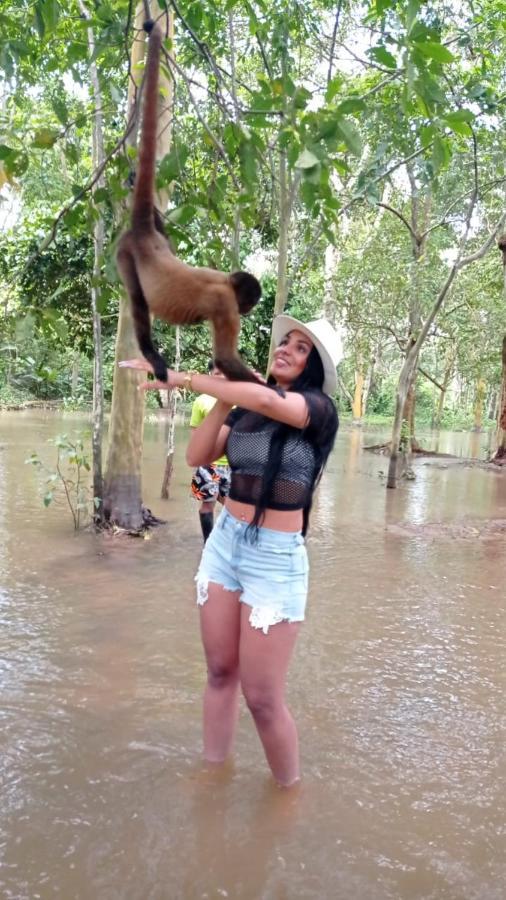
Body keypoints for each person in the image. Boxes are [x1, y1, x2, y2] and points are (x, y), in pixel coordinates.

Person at [119, 315, 341, 787]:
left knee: (262, 699)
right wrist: (221, 396)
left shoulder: (318, 410)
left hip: (275, 557)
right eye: (285, 342)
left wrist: (180, 378)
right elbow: (199, 455)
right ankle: (212, 775)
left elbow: (266, 397)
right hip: (225, 544)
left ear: (314, 367)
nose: (285, 350)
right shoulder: (247, 410)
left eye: (301, 348)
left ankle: (288, 794)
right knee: (220, 671)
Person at [190, 361, 231, 543]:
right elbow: (195, 433)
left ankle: (230, 541)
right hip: (208, 464)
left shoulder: (238, 399)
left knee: (234, 507)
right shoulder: (201, 401)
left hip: (233, 464)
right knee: (208, 504)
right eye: (217, 373)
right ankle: (208, 543)